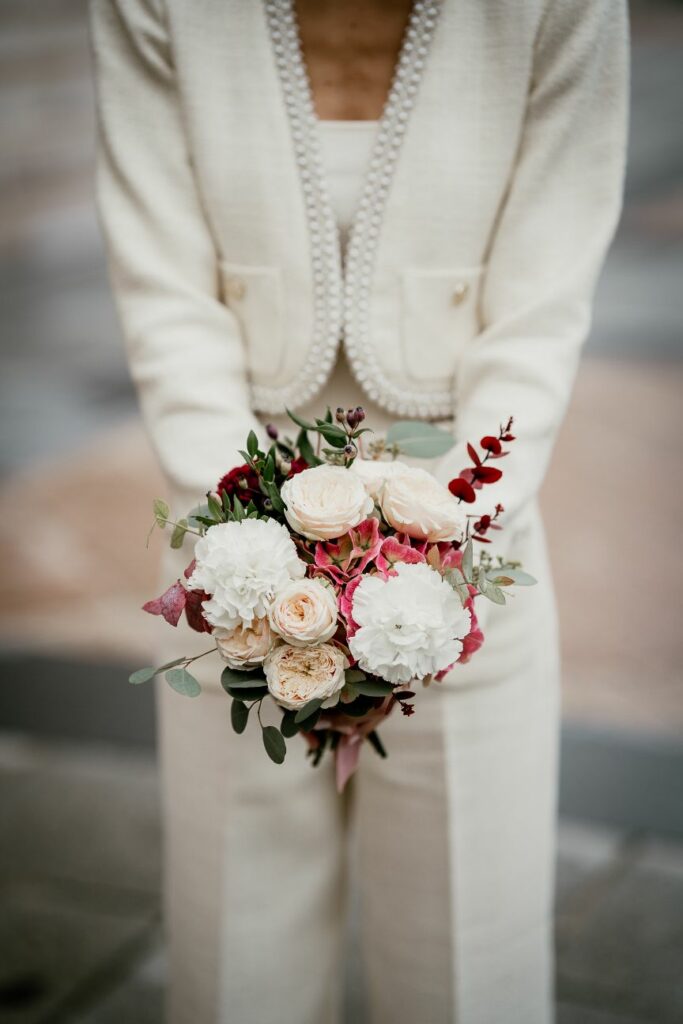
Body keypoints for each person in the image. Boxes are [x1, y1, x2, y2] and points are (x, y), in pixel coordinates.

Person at [89, 1, 629, 1021]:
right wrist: (248, 538)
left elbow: (540, 301)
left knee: (468, 956)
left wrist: (454, 541)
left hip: (469, 535)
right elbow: (164, 287)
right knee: (231, 945)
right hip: (232, 542)